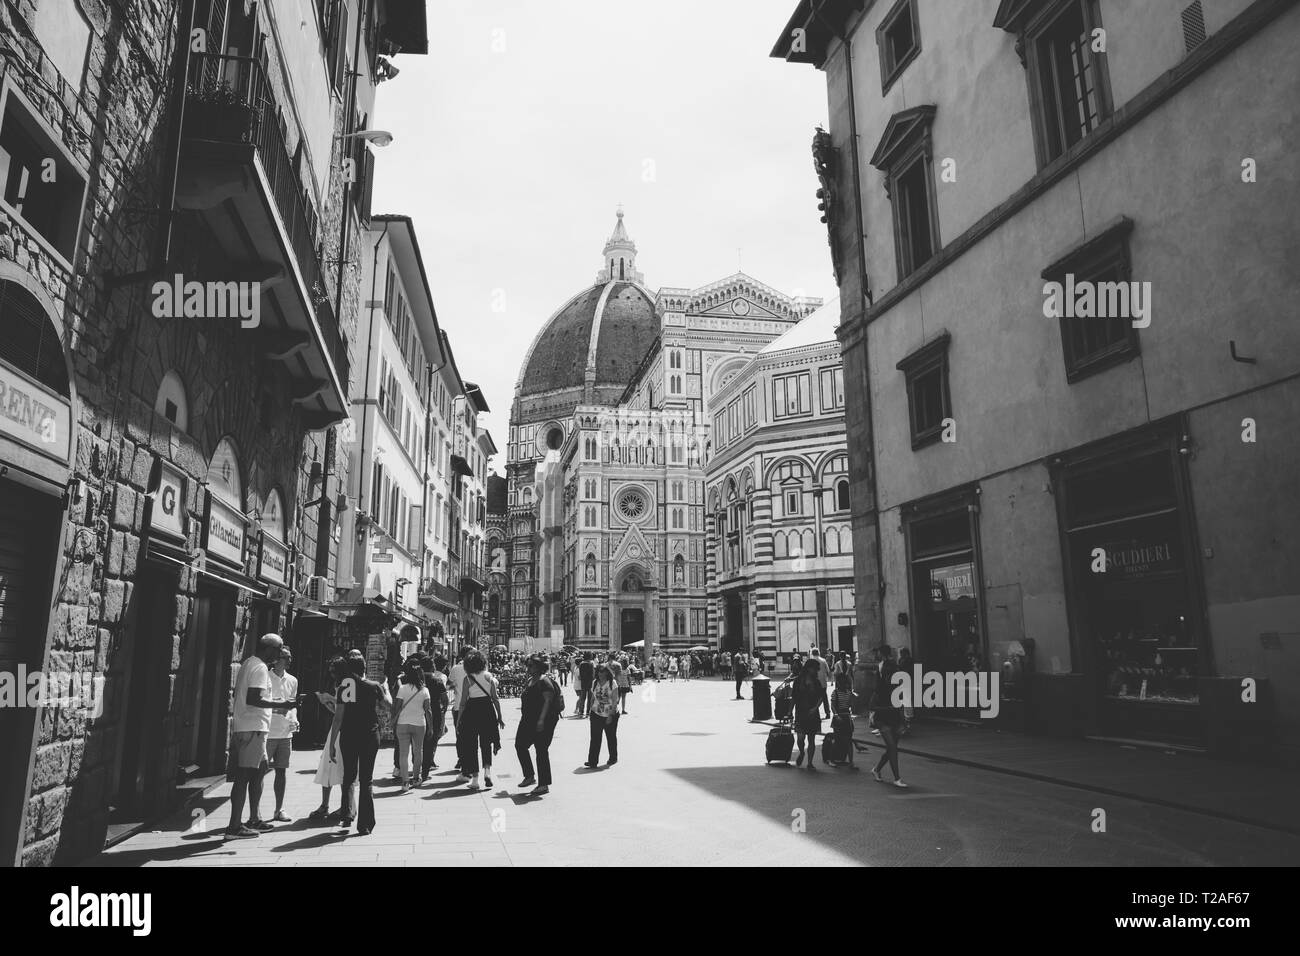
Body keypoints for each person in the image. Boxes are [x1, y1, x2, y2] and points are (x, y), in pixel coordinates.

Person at [224, 634, 295, 839]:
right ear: (269, 649)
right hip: (252, 729)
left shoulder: (249, 663)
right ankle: (233, 827)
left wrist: (276, 707)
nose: (281, 653)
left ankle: (254, 818)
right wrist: (282, 705)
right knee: (243, 777)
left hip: (253, 728)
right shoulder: (261, 668)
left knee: (260, 770)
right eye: (279, 649)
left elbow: (255, 698)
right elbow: (254, 698)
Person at [328, 655, 392, 834]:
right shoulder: (374, 686)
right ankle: (365, 824)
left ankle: (347, 814)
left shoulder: (344, 687)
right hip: (369, 735)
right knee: (366, 779)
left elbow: (338, 717)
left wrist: (332, 742)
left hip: (348, 735)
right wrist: (385, 689)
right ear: (364, 668)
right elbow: (388, 705)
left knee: (348, 776)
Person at [309, 657, 351, 822]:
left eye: (334, 671)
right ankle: (325, 805)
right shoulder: (341, 685)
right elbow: (336, 711)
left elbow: (346, 709)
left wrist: (330, 698)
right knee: (327, 765)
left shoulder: (347, 685)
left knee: (339, 766)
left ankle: (343, 805)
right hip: (335, 730)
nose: (332, 674)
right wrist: (327, 701)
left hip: (340, 731)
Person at [456, 650, 505, 790]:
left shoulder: (468, 679)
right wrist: (499, 716)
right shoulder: (489, 676)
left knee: (471, 745)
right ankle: (487, 772)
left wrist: (459, 719)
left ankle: (475, 779)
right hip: (487, 710)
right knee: (486, 743)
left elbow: (463, 702)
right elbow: (495, 698)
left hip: (471, 711)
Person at [517, 654, 561, 796]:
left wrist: (541, 720)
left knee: (541, 750)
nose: (528, 668)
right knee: (520, 745)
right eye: (527, 665)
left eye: (531, 665)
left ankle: (544, 784)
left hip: (544, 721)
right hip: (528, 720)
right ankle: (529, 775)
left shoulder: (545, 681)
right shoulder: (531, 680)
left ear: (538, 667)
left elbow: (547, 702)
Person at [267, 645, 299, 822]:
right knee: (258, 774)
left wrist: (295, 719)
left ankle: (279, 809)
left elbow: (292, 704)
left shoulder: (292, 680)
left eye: (290, 657)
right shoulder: (266, 677)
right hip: (268, 732)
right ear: (277, 659)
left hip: (285, 733)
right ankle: (253, 813)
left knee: (282, 772)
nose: (289, 660)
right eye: (286, 657)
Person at [870, 646, 907, 787]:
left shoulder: (897, 690)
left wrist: (903, 720)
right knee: (892, 747)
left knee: (891, 749)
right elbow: (872, 707)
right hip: (882, 719)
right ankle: (897, 778)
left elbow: (902, 704)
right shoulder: (878, 690)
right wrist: (888, 708)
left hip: (895, 718)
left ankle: (877, 769)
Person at [394, 662, 432, 792]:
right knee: (418, 751)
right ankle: (416, 778)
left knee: (403, 754)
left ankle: (405, 782)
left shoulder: (402, 688)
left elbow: (397, 706)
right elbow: (428, 710)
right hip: (419, 724)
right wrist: (431, 727)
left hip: (403, 723)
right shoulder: (424, 690)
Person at [792, 659, 825, 771]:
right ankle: (801, 752)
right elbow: (794, 697)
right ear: (808, 668)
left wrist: (815, 708)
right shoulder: (798, 681)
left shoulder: (816, 682)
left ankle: (810, 763)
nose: (815, 671)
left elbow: (821, 697)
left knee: (811, 739)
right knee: (800, 737)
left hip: (812, 713)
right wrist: (789, 712)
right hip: (800, 712)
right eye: (814, 668)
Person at [585, 663, 620, 768]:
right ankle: (592, 761)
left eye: (602, 671)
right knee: (595, 738)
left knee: (611, 737)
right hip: (596, 713)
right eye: (598, 671)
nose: (600, 674)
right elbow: (592, 697)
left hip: (610, 714)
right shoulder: (594, 683)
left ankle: (613, 757)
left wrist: (610, 715)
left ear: (606, 672)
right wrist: (589, 710)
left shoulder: (612, 683)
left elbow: (615, 701)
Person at [829, 671, 859, 770]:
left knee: (849, 741)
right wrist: (836, 715)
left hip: (846, 717)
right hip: (838, 717)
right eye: (841, 683)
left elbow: (851, 705)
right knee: (837, 740)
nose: (843, 685)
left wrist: (853, 699)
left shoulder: (849, 693)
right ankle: (832, 759)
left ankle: (851, 762)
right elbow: (833, 705)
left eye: (844, 682)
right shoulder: (835, 693)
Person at [448, 648, 468, 771]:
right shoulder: (479, 668)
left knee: (459, 735)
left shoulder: (455, 668)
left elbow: (449, 684)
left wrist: (455, 685)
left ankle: (461, 758)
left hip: (458, 707)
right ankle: (469, 761)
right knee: (472, 736)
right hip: (473, 706)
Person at [809, 647, 832, 719]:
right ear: (818, 653)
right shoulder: (823, 660)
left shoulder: (810, 661)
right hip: (823, 682)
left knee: (813, 698)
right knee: (824, 697)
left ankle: (814, 712)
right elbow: (828, 671)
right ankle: (827, 713)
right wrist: (829, 679)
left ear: (812, 653)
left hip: (813, 683)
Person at [897, 647, 915, 735]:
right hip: (902, 680)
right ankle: (906, 718)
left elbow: (910, 671)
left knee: (907, 699)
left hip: (907, 680)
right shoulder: (901, 660)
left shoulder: (909, 660)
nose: (901, 654)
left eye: (902, 653)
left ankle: (908, 718)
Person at [574, 652, 595, 717]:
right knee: (589, 699)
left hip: (583, 683)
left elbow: (580, 675)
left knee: (582, 698)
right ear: (589, 657)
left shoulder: (581, 664)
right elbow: (592, 675)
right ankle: (588, 712)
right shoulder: (591, 664)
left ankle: (581, 712)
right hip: (590, 684)